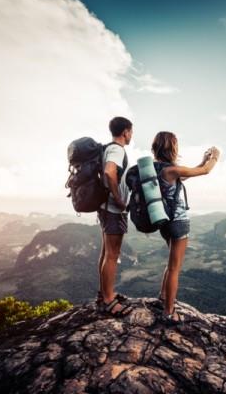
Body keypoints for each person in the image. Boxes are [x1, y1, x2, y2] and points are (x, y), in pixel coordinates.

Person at [150, 131, 220, 324]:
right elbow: (205, 171)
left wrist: (202, 160)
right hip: (178, 222)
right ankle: (169, 312)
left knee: (171, 263)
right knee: (175, 268)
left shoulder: (155, 169)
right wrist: (214, 157)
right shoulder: (172, 169)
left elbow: (188, 175)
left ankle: (163, 297)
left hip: (163, 221)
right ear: (172, 147)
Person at [96, 116, 133, 316]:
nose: (131, 135)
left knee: (106, 253)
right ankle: (109, 301)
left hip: (104, 207)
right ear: (125, 131)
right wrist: (118, 199)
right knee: (112, 255)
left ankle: (104, 294)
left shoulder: (108, 148)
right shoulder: (117, 150)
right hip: (113, 209)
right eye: (131, 131)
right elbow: (110, 172)